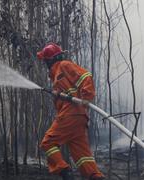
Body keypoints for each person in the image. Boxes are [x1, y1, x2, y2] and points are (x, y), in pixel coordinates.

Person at [37, 43, 105, 180]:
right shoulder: (56, 75)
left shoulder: (64, 65)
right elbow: (68, 92)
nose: (44, 63)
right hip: (78, 116)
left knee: (48, 143)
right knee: (82, 155)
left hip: (71, 114)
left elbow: (86, 76)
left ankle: (65, 173)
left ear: (50, 60)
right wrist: (58, 95)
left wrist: (86, 97)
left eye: (45, 61)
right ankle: (95, 176)